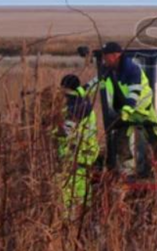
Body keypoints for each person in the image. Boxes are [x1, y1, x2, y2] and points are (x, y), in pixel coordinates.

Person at [94, 42, 157, 178]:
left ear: (116, 55)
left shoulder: (132, 69)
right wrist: (80, 91)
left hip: (143, 110)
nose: (104, 59)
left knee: (155, 138)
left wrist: (126, 110)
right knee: (122, 139)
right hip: (128, 112)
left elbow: (134, 93)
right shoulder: (109, 71)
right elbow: (95, 83)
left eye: (106, 56)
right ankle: (128, 171)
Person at [56, 74, 99, 216]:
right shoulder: (83, 102)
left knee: (67, 201)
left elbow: (66, 133)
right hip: (85, 158)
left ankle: (68, 229)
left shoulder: (75, 108)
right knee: (85, 200)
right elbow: (95, 81)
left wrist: (53, 125)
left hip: (75, 159)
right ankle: (87, 227)